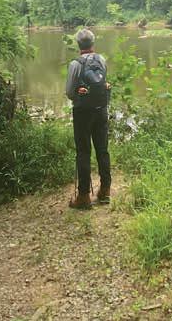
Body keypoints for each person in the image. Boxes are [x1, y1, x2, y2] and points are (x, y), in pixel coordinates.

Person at [65, 29, 112, 209]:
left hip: (82, 113)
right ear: (93, 43)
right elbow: (103, 84)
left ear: (78, 44)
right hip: (101, 110)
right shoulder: (101, 60)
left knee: (83, 152)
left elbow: (70, 93)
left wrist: (79, 93)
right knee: (103, 150)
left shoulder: (75, 64)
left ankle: (84, 196)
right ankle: (105, 191)